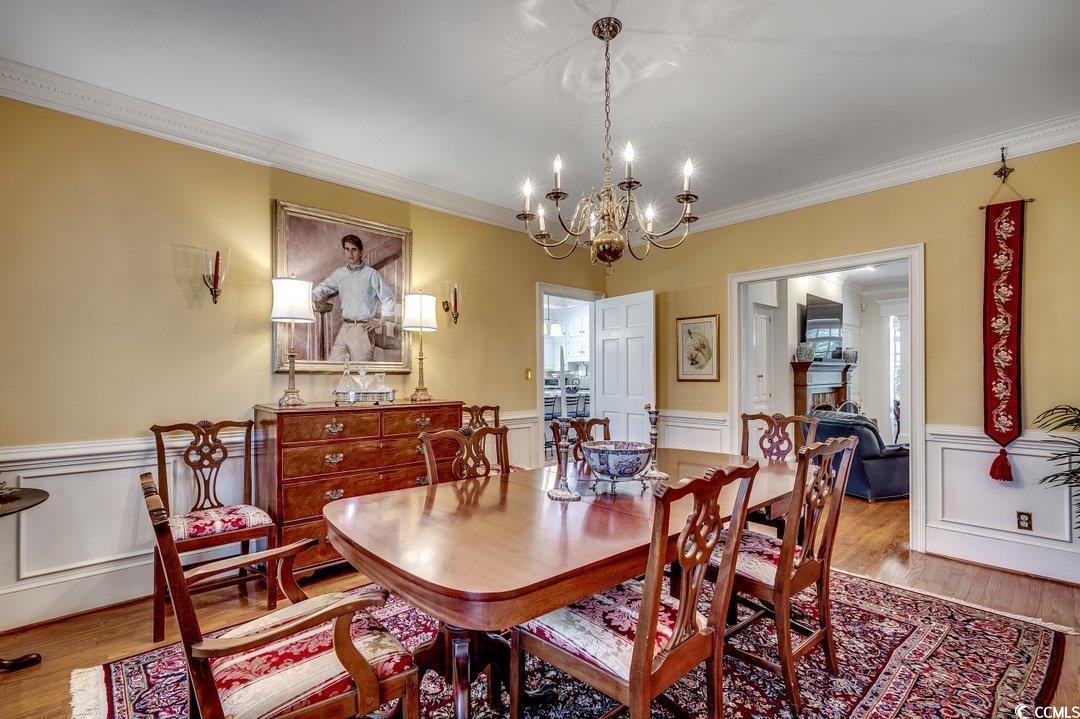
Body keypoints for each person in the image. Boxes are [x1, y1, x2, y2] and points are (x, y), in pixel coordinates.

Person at [312, 234, 396, 362]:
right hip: (345, 327)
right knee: (332, 366)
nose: (350, 253)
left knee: (362, 372)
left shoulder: (371, 274)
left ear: (361, 252)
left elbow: (389, 298)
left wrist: (380, 322)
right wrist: (312, 295)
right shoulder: (340, 273)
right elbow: (325, 286)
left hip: (362, 329)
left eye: (354, 249)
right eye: (347, 249)